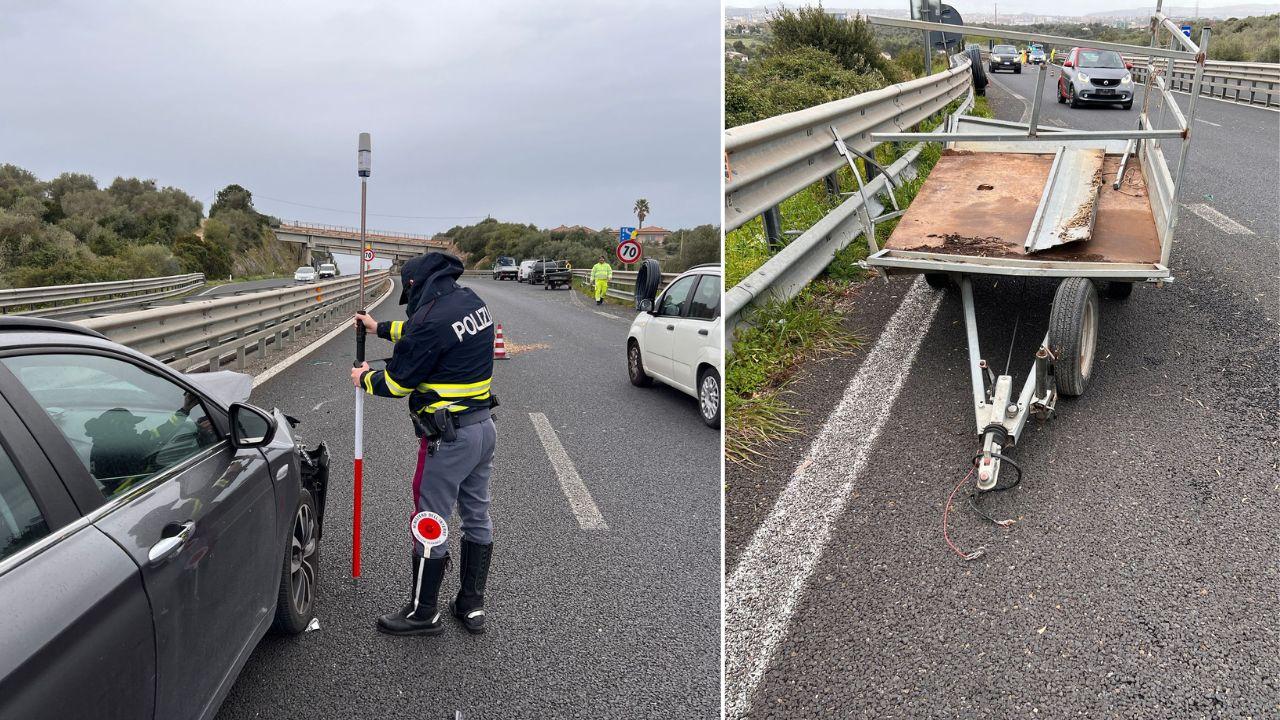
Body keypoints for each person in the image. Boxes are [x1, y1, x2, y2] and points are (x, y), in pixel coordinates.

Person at [350, 251, 497, 637]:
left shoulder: (431, 320)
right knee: (476, 515)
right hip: (483, 429)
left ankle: (423, 613)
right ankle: (471, 604)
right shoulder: (470, 301)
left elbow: (397, 383)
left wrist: (364, 378)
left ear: (416, 285)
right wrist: (379, 328)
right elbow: (426, 333)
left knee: (430, 521)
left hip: (448, 439)